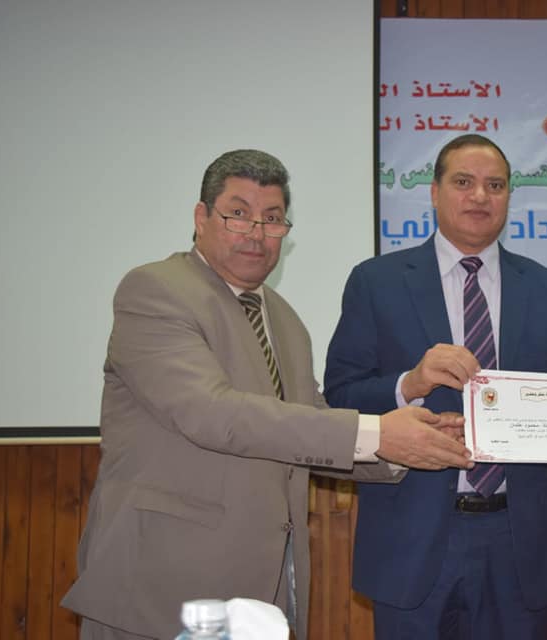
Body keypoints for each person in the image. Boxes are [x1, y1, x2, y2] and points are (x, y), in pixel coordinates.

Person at [61, 149, 472, 640]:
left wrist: (412, 444)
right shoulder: (155, 290)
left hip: (261, 594)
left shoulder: (284, 319)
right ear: (201, 217)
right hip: (160, 590)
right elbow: (212, 413)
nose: (256, 233)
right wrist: (377, 432)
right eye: (238, 214)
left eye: (272, 219)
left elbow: (309, 423)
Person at [324, 134, 547, 639]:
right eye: (464, 182)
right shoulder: (376, 282)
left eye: (496, 185)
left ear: (509, 197)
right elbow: (340, 396)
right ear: (434, 192)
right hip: (411, 540)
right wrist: (409, 384)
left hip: (518, 544)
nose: (480, 196)